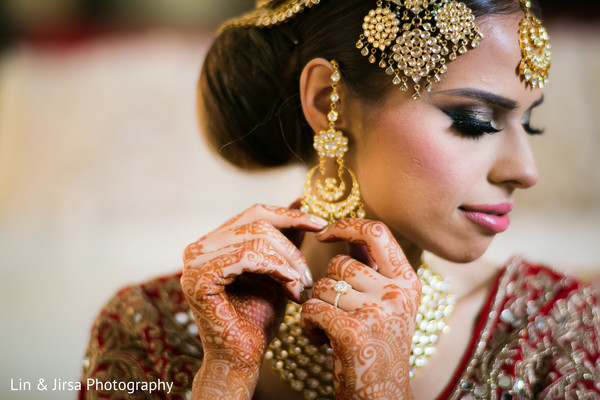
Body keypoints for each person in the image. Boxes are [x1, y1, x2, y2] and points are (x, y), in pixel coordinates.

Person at [79, 0, 600, 399]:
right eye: (475, 121)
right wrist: (224, 376)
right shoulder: (151, 328)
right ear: (330, 100)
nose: (525, 171)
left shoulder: (555, 330)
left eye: (529, 123)